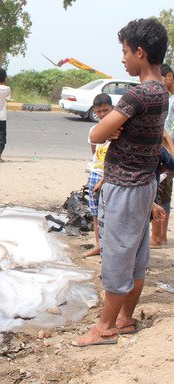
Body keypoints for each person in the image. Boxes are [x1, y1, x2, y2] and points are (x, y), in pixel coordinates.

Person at [73, 18, 169, 347]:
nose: (123, 58)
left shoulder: (138, 95)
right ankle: (126, 319)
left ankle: (105, 327)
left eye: (125, 51)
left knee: (116, 256)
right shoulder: (162, 92)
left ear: (140, 53)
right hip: (143, 185)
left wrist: (110, 131)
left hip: (126, 189)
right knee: (137, 255)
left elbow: (96, 133)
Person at [83, 93, 113, 257]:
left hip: (110, 177)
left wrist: (105, 177)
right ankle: (98, 245)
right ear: (95, 111)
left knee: (110, 213)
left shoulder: (118, 129)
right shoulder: (94, 130)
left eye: (106, 110)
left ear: (112, 108)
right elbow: (94, 151)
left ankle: (110, 247)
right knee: (95, 212)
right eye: (99, 111)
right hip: (95, 173)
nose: (102, 114)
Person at [151, 64, 174, 247]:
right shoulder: (167, 98)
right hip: (164, 151)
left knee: (161, 194)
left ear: (170, 77)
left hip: (167, 152)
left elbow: (167, 134)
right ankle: (160, 237)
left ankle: (158, 238)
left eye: (161, 79)